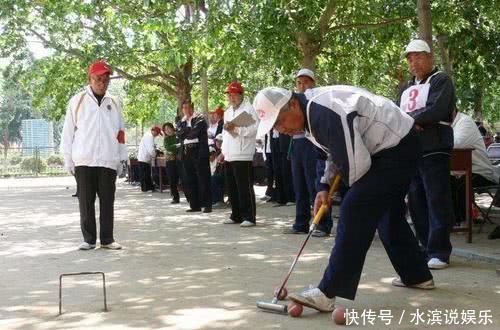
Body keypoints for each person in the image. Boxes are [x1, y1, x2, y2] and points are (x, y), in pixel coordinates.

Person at [254, 85, 433, 312]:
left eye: (279, 121)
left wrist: (339, 197)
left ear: (292, 104)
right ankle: (417, 275)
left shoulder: (324, 112)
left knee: (355, 209)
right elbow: (333, 152)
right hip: (385, 149)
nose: (281, 129)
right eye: (274, 126)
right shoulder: (308, 118)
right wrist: (324, 186)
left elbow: (356, 165)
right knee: (388, 215)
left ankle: (329, 291)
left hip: (397, 146)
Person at [396, 39, 456, 270]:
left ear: (430, 57)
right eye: (410, 58)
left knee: (436, 198)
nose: (414, 62)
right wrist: (413, 123)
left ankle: (440, 250)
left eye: (418, 56)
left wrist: (411, 120)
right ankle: (424, 246)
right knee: (416, 199)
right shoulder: (405, 87)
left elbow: (437, 109)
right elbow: (395, 112)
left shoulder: (441, 80)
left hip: (435, 146)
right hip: (411, 148)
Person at [60, 60, 127, 250]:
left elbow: (120, 132)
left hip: (108, 159)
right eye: (98, 78)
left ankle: (107, 239)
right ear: (90, 78)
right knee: (86, 202)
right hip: (84, 159)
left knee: (107, 201)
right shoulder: (77, 100)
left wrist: (121, 158)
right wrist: (68, 158)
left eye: (106, 79)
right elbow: (68, 132)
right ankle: (89, 239)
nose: (102, 82)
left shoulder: (114, 102)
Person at [283, 68, 332, 237]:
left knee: (316, 183)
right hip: (297, 145)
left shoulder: (316, 101)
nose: (302, 86)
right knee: (299, 185)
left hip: (313, 145)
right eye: (299, 82)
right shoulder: (293, 102)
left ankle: (323, 223)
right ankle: (301, 222)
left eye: (305, 82)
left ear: (312, 83)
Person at [221, 81, 259, 227]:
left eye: (234, 95)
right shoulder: (227, 112)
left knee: (244, 187)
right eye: (230, 95)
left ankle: (249, 216)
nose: (232, 98)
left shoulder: (249, 109)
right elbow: (225, 134)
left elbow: (253, 130)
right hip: (230, 154)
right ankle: (235, 214)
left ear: (241, 95)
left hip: (243, 153)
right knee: (232, 187)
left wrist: (236, 129)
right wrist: (224, 151)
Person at [176, 100, 212, 213]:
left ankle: (207, 205)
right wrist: (187, 131)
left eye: (188, 107)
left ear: (192, 108)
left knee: (203, 178)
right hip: (186, 151)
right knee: (189, 179)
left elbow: (194, 133)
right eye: (184, 108)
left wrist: (185, 132)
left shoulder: (200, 118)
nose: (186, 110)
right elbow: (179, 134)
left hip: (198, 150)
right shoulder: (181, 121)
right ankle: (194, 205)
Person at [137, 126, 162, 192]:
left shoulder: (148, 136)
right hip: (144, 158)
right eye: (157, 133)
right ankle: (146, 188)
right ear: (154, 131)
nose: (157, 135)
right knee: (145, 174)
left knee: (146, 174)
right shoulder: (149, 136)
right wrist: (155, 155)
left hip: (144, 158)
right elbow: (151, 149)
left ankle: (148, 187)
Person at [162, 122, 180, 204]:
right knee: (172, 180)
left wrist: (175, 148)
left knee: (184, 178)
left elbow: (181, 147)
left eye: (168, 128)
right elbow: (168, 148)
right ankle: (175, 198)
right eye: (165, 130)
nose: (167, 131)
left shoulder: (178, 136)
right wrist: (177, 146)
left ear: (172, 128)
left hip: (180, 160)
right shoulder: (166, 139)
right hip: (170, 161)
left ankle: (190, 197)